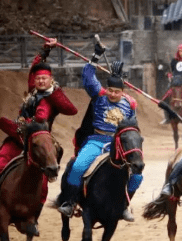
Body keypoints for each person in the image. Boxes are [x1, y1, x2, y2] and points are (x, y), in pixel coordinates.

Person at [0, 38, 78, 206]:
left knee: (51, 158)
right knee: (3, 156)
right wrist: (45, 50)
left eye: (45, 79)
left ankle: (44, 192)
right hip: (21, 135)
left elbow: (72, 110)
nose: (41, 81)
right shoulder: (33, 91)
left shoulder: (52, 96)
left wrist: (56, 93)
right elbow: (32, 70)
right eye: (38, 79)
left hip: (40, 138)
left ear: (51, 80)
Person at [57, 42, 141, 222]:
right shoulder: (99, 96)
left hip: (118, 144)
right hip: (96, 140)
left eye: (116, 91)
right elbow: (87, 76)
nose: (112, 94)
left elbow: (133, 129)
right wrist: (95, 56)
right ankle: (70, 202)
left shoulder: (130, 104)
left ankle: (123, 206)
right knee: (78, 167)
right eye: (110, 90)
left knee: (137, 175)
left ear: (123, 92)